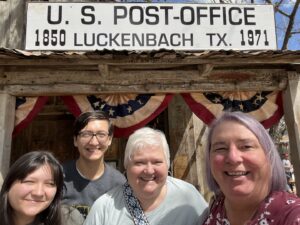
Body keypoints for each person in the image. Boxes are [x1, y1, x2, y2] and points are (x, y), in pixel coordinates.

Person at [84, 127, 208, 225]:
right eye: (140, 162)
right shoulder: (104, 208)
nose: (149, 171)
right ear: (126, 165)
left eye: (157, 162)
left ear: (168, 164)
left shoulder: (189, 197)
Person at [202, 111, 300, 225]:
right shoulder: (213, 212)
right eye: (220, 148)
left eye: (246, 146)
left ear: (269, 156)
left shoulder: (292, 217)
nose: (233, 158)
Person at [62, 111, 126, 219]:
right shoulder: (59, 176)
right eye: (86, 134)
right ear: (75, 140)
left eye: (101, 134)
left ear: (109, 139)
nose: (94, 142)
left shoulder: (118, 182)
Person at [0, 151, 64, 225]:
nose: (38, 193)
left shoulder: (71, 220)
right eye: (29, 182)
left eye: (49, 184)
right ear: (9, 184)